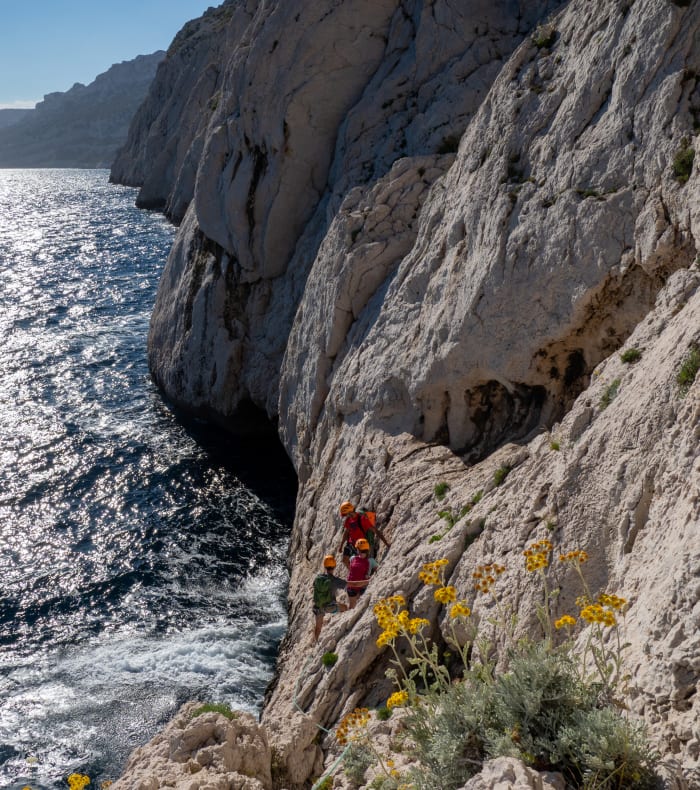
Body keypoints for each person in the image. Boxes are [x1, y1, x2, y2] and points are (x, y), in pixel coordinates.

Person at [337, 501, 390, 568]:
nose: (345, 516)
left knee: (363, 564)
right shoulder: (348, 520)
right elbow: (346, 532)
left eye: (345, 514)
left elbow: (375, 531)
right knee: (345, 560)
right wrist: (341, 545)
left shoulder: (362, 519)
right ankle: (353, 573)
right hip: (351, 543)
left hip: (361, 545)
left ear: (349, 512)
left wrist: (386, 543)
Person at [312, 555, 348, 641]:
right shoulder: (335, 580)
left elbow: (314, 586)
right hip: (329, 607)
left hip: (318, 607)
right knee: (345, 608)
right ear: (334, 566)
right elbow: (348, 585)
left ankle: (316, 642)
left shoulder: (318, 578)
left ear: (324, 567)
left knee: (318, 627)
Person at [345, 538, 378, 609]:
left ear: (357, 549)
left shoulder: (352, 558)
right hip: (363, 587)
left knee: (352, 607)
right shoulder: (371, 561)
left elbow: (351, 570)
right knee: (359, 606)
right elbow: (377, 571)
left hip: (351, 586)